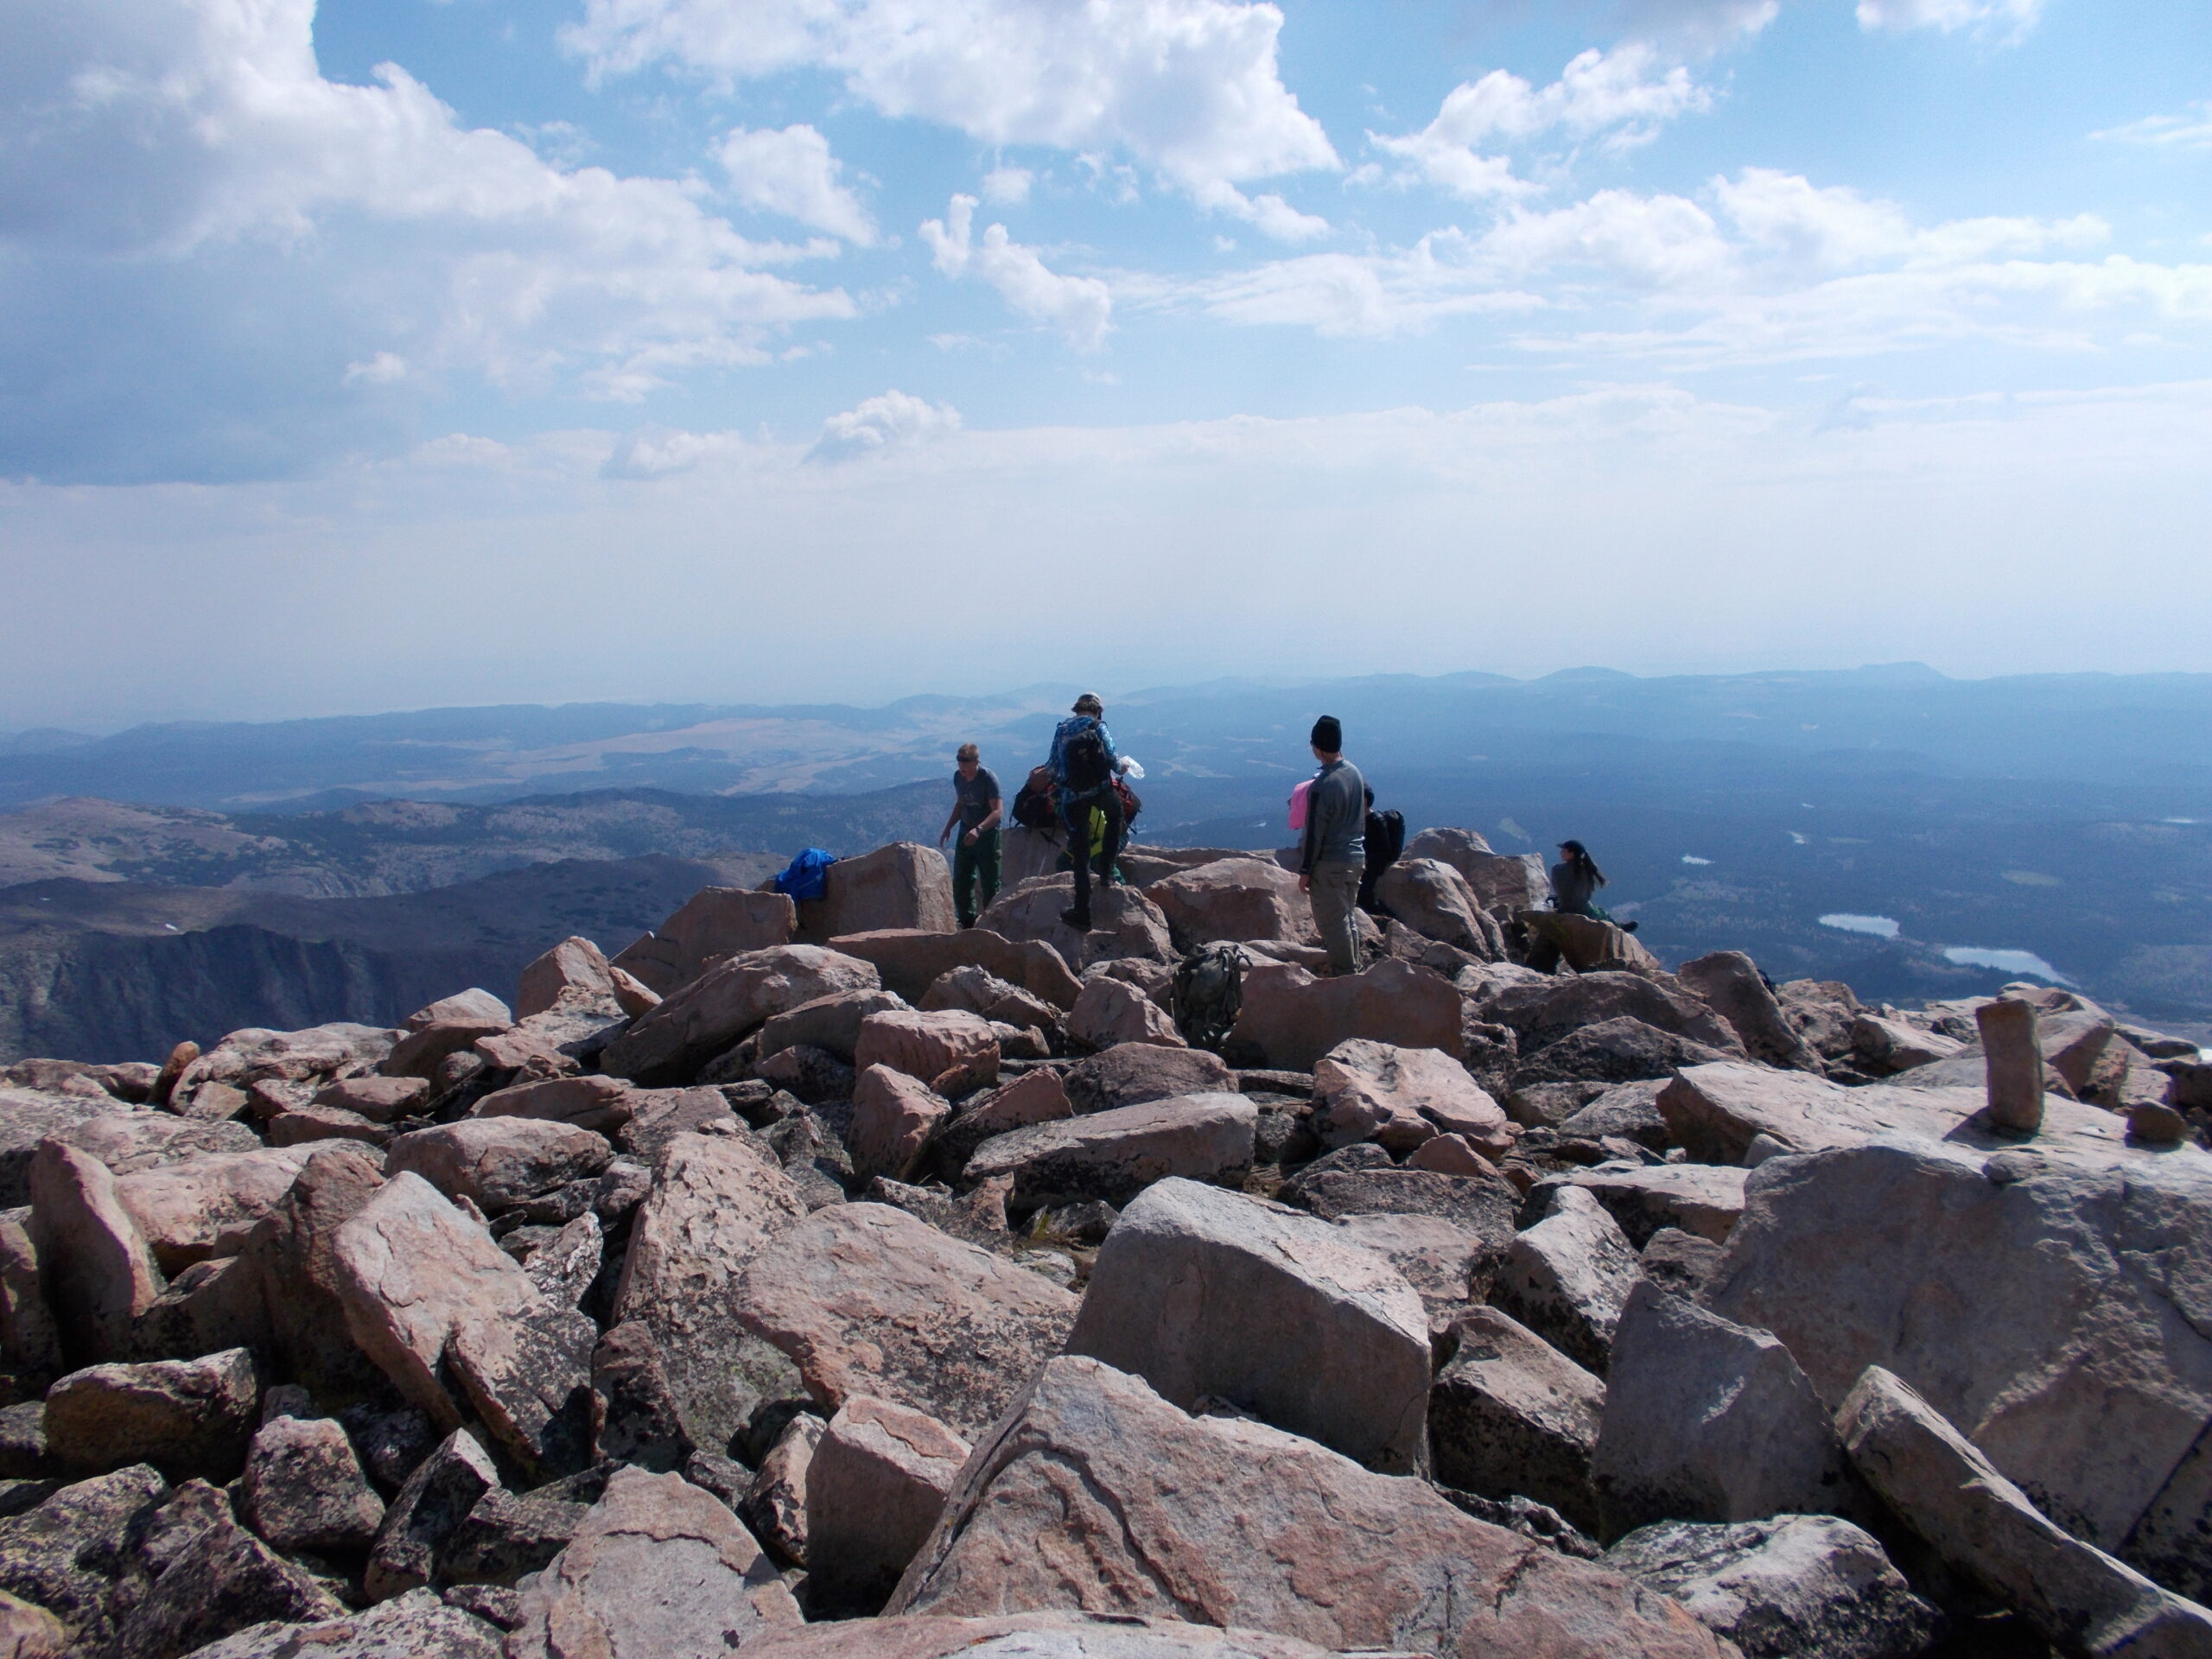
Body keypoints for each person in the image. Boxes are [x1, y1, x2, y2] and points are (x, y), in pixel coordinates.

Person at [1048, 693, 1124, 931]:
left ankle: (1082, 911)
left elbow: (1053, 766)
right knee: (1116, 816)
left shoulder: (1062, 729)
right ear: (1098, 711)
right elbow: (1113, 761)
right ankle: (1108, 873)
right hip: (1100, 790)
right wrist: (1125, 766)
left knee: (1080, 851)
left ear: (1076, 709)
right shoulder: (1098, 726)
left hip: (1071, 796)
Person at [1297, 715, 1366, 975]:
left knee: (1333, 923)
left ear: (1316, 747)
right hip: (1356, 857)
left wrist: (1306, 871)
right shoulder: (1355, 773)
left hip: (1330, 863)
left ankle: (1345, 975)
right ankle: (1354, 968)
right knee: (1347, 918)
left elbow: (1315, 832)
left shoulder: (1322, 786)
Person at [938, 742, 1002, 928]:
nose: (962, 768)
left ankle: (993, 923)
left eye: (966, 764)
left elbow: (997, 812)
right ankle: (967, 922)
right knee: (962, 880)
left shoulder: (988, 778)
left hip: (987, 836)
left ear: (976, 761)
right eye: (959, 763)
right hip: (966, 832)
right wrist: (949, 827)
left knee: (990, 882)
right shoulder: (958, 777)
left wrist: (979, 829)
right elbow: (961, 803)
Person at [1550, 839, 1638, 931]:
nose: (1561, 852)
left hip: (1564, 908)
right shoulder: (1588, 870)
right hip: (1583, 909)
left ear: (1571, 854)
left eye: (1564, 850)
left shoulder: (1556, 869)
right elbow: (1588, 894)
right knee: (1602, 914)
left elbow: (1558, 889)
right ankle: (1619, 927)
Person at [1357, 785, 1405, 912]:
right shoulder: (1358, 820)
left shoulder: (1377, 820)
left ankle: (1380, 915)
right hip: (1362, 860)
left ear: (1366, 800)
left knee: (1364, 892)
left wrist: (1368, 860)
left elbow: (1384, 848)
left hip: (1375, 863)